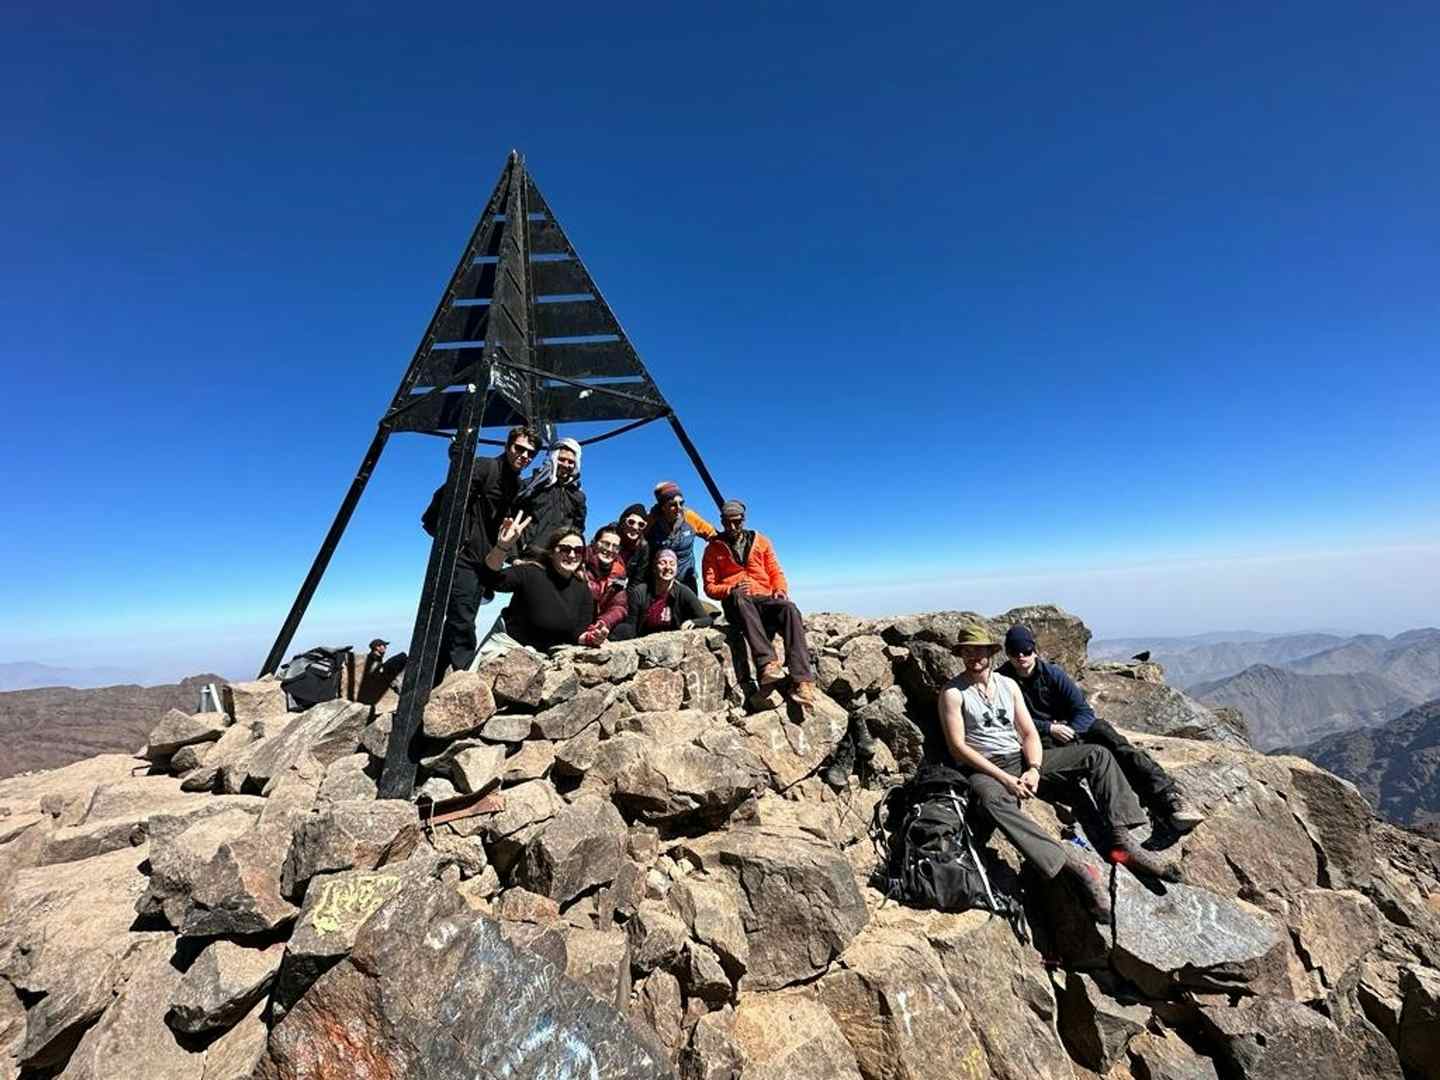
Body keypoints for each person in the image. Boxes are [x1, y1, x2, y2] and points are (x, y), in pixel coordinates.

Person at [937, 625, 1176, 921]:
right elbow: (958, 747)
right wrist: (1005, 779)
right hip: (985, 767)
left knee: (1097, 755)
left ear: (990, 652)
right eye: (967, 650)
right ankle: (1074, 867)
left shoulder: (1007, 686)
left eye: (979, 649)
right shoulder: (953, 693)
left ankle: (1121, 838)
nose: (974, 656)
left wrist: (1035, 769)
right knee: (991, 802)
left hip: (1021, 759)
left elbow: (1027, 733)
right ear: (961, 654)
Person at [998, 624, 1203, 834]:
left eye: (1026, 651)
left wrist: (1071, 732)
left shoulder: (1053, 675)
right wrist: (1050, 728)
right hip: (1036, 742)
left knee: (1108, 736)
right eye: (1015, 652)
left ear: (1035, 651)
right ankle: (1119, 830)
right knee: (1094, 757)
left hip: (1070, 733)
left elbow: (1084, 712)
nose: (1021, 657)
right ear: (1008, 654)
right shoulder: (1000, 681)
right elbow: (1004, 719)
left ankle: (1167, 799)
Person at [421, 425, 539, 677]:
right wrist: (459, 463)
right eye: (520, 448)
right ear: (508, 446)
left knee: (461, 616)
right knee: (462, 618)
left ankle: (433, 675)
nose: (524, 456)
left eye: (531, 453)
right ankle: (467, 673)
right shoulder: (485, 467)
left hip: (484, 560)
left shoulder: (515, 484)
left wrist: (511, 555)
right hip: (461, 555)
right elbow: (453, 498)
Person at [701, 500, 816, 707]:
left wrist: (780, 591)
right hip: (736, 603)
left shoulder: (761, 541)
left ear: (743, 520)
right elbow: (710, 587)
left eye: (736, 522)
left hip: (763, 599)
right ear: (722, 521)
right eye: (727, 523)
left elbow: (775, 572)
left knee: (790, 609)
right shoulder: (713, 549)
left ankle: (802, 681)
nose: (732, 527)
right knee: (740, 596)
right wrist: (731, 588)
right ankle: (767, 664)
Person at [475, 513, 597, 655]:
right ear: (551, 552)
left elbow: (578, 633)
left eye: (578, 550)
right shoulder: (530, 573)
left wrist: (591, 637)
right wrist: (502, 547)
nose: (571, 555)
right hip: (508, 649)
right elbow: (490, 579)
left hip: (549, 657)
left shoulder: (582, 588)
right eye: (565, 549)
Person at [614, 548, 714, 639]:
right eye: (662, 563)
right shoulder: (640, 592)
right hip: (645, 642)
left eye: (672, 563)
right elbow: (631, 626)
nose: (667, 567)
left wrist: (693, 622)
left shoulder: (683, 592)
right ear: (654, 567)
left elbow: (707, 619)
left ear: (676, 569)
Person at [515, 438, 587, 555]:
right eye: (562, 459)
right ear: (553, 459)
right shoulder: (532, 486)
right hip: (528, 556)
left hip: (559, 557)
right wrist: (513, 556)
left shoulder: (578, 496)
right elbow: (513, 518)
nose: (566, 465)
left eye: (571, 462)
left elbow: (578, 529)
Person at [646, 482, 716, 594]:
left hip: (686, 579)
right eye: (673, 504)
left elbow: (713, 536)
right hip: (658, 578)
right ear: (662, 507)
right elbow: (635, 539)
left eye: (681, 503)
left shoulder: (689, 516)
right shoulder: (651, 520)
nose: (679, 508)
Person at [581, 524, 630, 646]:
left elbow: (620, 606)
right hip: (578, 618)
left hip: (599, 621)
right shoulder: (579, 562)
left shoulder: (619, 572)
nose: (609, 550)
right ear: (594, 543)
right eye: (605, 543)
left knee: (625, 630)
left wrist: (604, 621)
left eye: (615, 547)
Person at [356, 638, 407, 706]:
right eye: (384, 646)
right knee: (402, 656)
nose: (385, 647)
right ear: (377, 647)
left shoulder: (377, 657)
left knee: (403, 657)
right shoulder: (373, 657)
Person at [616, 503, 653, 585]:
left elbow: (638, 579)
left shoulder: (643, 547)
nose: (635, 527)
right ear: (622, 522)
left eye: (641, 524)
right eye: (631, 522)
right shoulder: (609, 535)